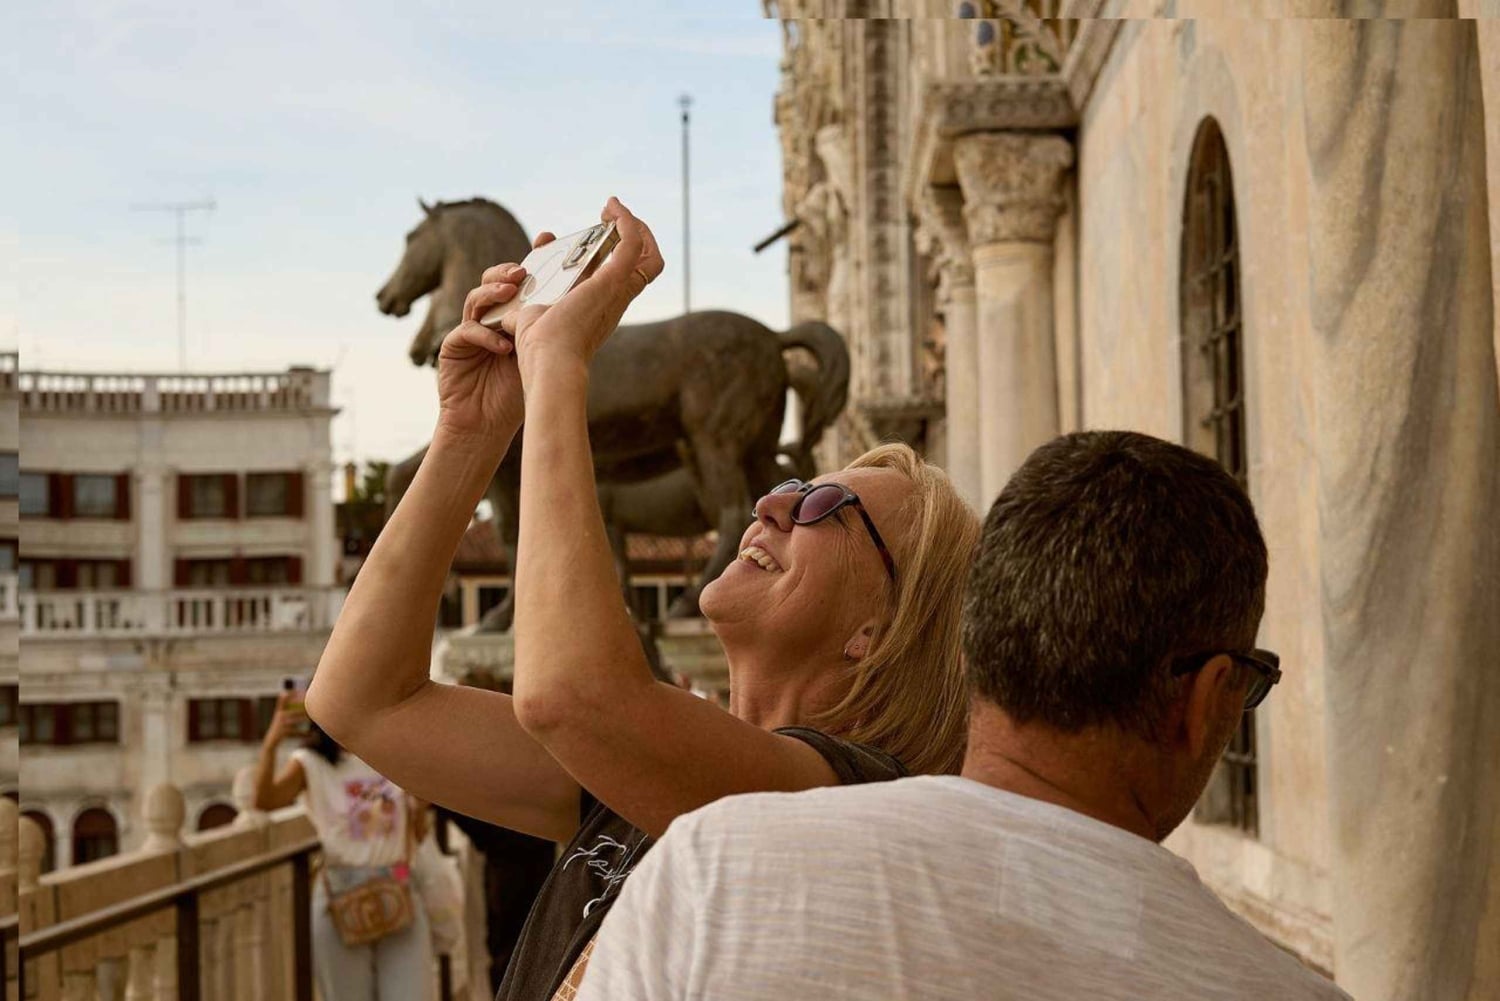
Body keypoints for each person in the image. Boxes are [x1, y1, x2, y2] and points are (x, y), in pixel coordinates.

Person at [304, 197, 981, 1000]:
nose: (771, 502)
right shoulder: (641, 774)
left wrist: (557, 367)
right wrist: (474, 427)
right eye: (794, 484)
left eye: (823, 506)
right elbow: (362, 702)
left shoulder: (849, 801)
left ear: (880, 626)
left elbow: (571, 699)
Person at [575, 430, 1352, 1001]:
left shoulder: (717, 868)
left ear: (978, 639)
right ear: (1207, 700)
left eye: (819, 505)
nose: (770, 509)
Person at [252, 696, 434, 1001]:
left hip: (398, 885)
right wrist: (271, 744)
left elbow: (416, 835)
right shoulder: (310, 762)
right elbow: (265, 800)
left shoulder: (392, 755)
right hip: (340, 895)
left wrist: (421, 808)